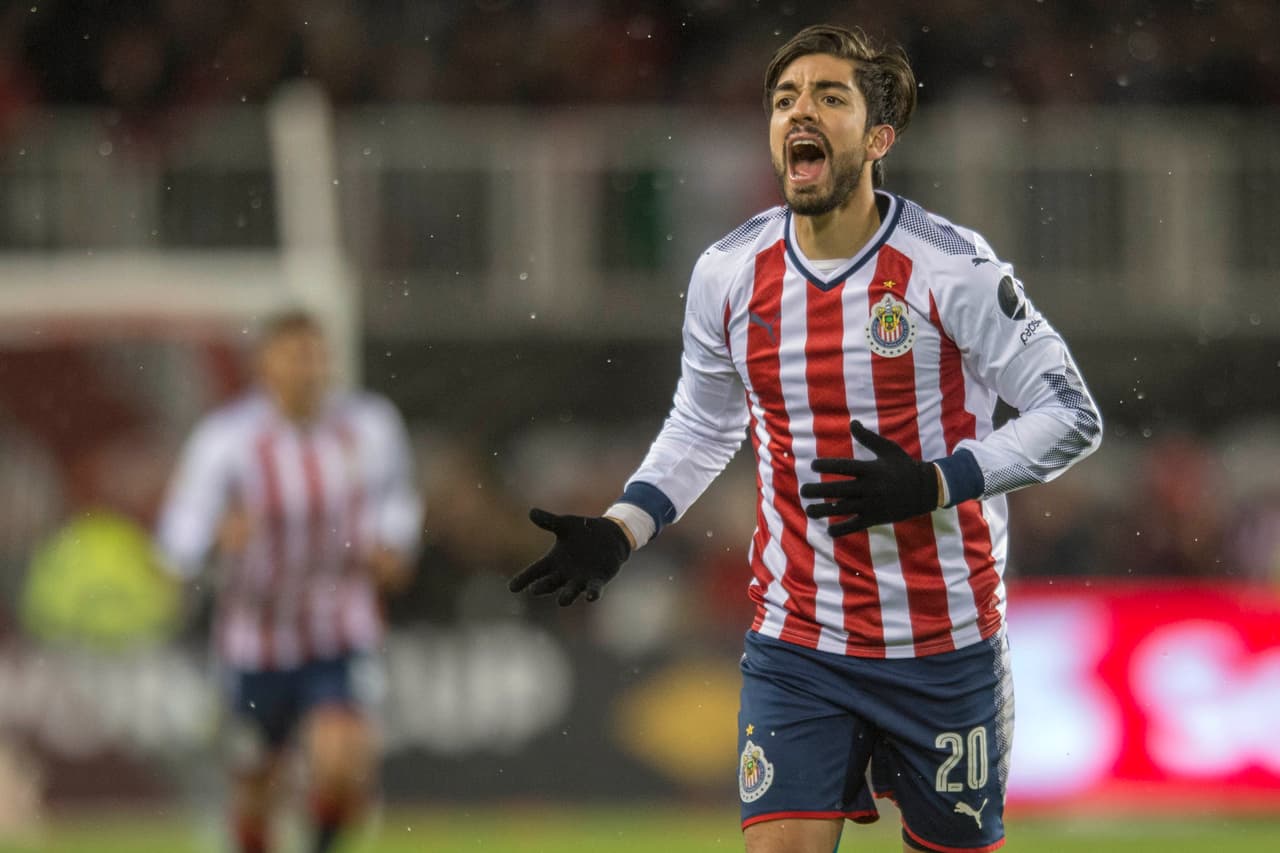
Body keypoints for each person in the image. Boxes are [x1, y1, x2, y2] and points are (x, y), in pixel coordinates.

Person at [510, 23, 1101, 853]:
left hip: (944, 639)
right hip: (800, 641)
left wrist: (942, 479)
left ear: (878, 135)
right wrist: (623, 526)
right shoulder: (729, 273)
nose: (800, 112)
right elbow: (704, 422)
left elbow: (1072, 412)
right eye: (785, 98)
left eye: (829, 96)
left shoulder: (953, 269)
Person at [156, 310, 422, 853]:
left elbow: (397, 498)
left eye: (318, 355)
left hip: (340, 624)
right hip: (256, 634)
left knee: (343, 762)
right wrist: (213, 538)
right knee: (257, 780)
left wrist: (394, 544)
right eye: (297, 355)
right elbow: (178, 529)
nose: (311, 368)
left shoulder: (369, 425)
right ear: (265, 366)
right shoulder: (226, 439)